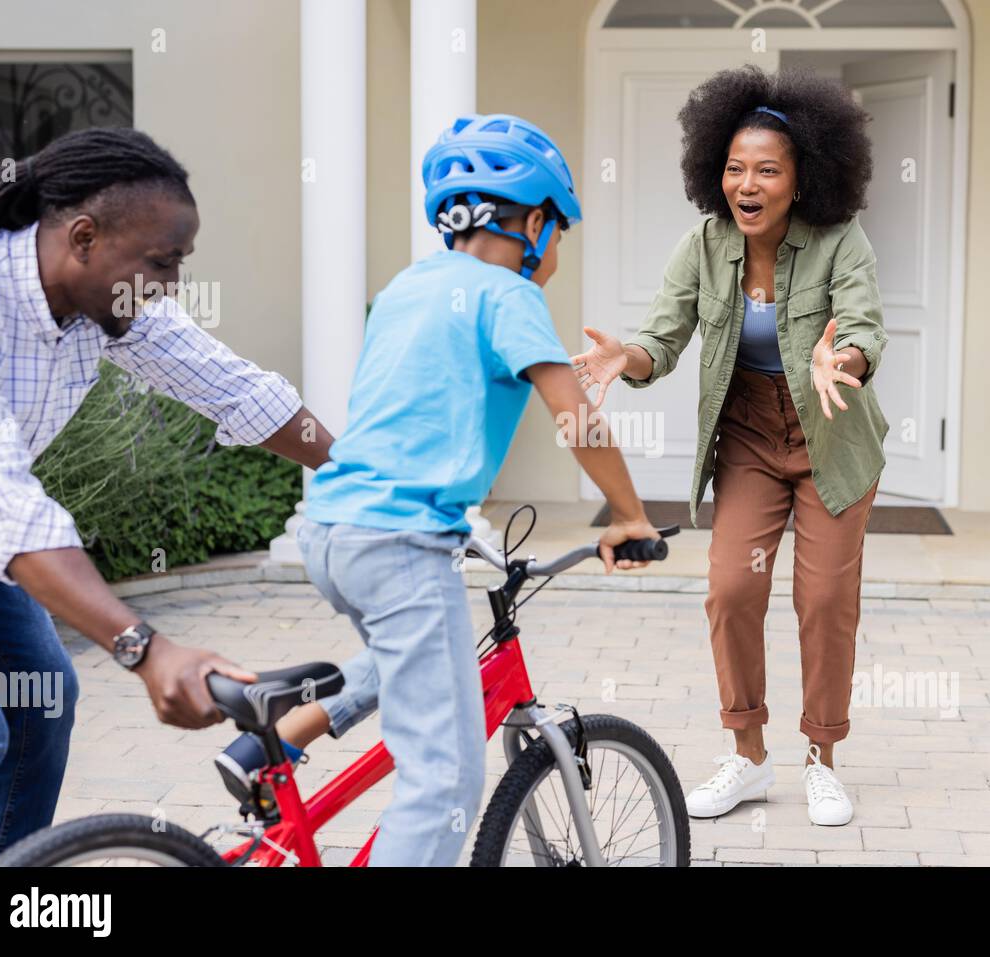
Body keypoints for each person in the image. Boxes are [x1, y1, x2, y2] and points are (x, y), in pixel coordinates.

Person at [216, 114, 658, 866]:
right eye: (562, 233)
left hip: (333, 528)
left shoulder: (405, 289)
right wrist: (630, 513)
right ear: (536, 223)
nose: (557, 255)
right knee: (446, 782)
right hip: (397, 540)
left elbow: (411, 414)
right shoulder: (507, 293)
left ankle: (286, 734)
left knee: (423, 648)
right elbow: (576, 421)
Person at [0, 127, 335, 865]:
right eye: (162, 263)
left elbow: (236, 390)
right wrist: (145, 648)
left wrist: (366, 476)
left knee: (40, 703)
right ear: (85, 236)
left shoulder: (111, 302)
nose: (170, 285)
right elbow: (1, 495)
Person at [573, 66, 888, 827]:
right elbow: (663, 335)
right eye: (735, 167)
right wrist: (628, 359)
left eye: (766, 170)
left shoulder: (839, 240)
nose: (747, 183)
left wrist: (837, 360)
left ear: (801, 178)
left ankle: (822, 757)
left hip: (831, 438)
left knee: (822, 600)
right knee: (732, 589)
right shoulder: (706, 245)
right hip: (747, 437)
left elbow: (865, 327)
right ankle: (747, 755)